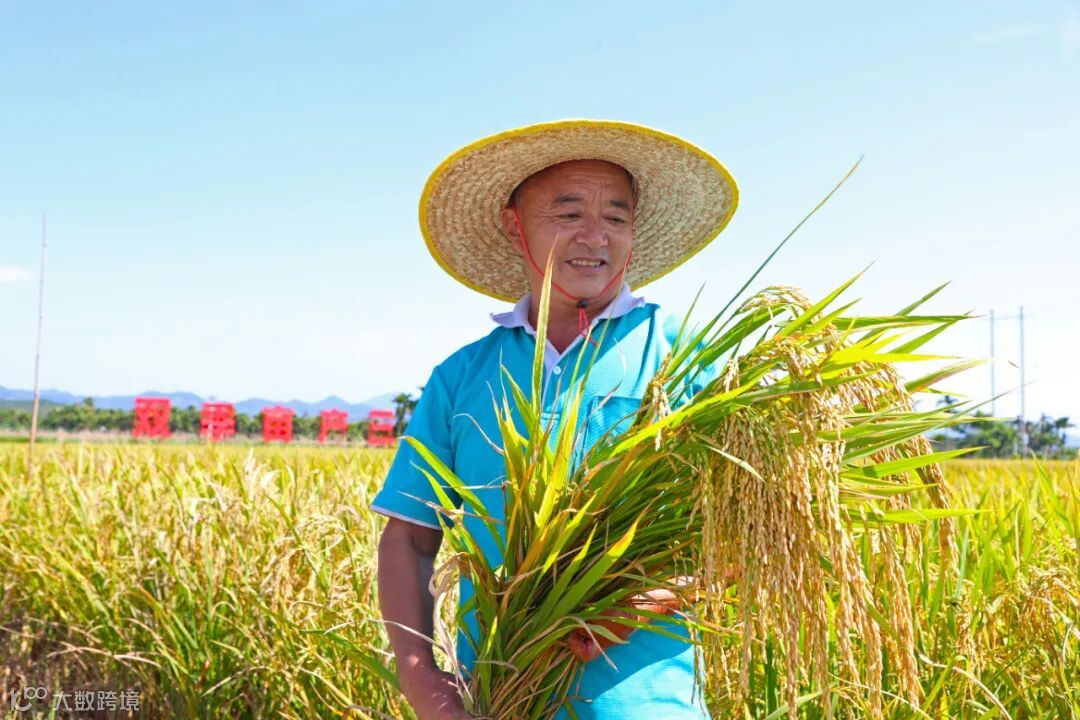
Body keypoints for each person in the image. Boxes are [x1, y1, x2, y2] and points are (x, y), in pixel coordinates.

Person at [372, 119, 738, 720]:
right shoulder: (463, 376)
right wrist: (422, 681)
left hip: (648, 706)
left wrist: (652, 598)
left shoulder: (685, 357)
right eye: (568, 214)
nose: (595, 236)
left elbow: (753, 528)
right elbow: (410, 536)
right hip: (495, 701)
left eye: (616, 217)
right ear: (514, 225)